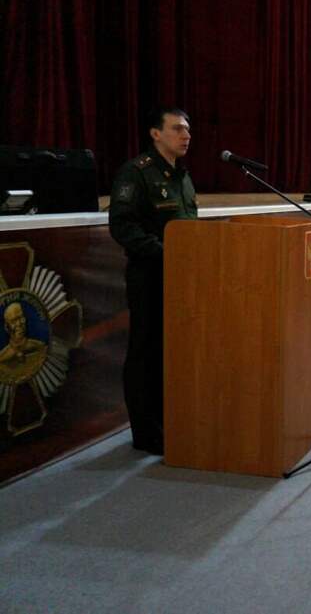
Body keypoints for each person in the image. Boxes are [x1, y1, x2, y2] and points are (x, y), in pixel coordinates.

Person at [109, 107, 197, 455]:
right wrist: (165, 253)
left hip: (181, 277)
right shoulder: (136, 173)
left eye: (187, 130)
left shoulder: (183, 176)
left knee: (170, 351)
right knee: (145, 352)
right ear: (155, 134)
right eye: (177, 129)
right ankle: (146, 433)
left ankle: (167, 422)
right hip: (149, 275)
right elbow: (122, 226)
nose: (186, 135)